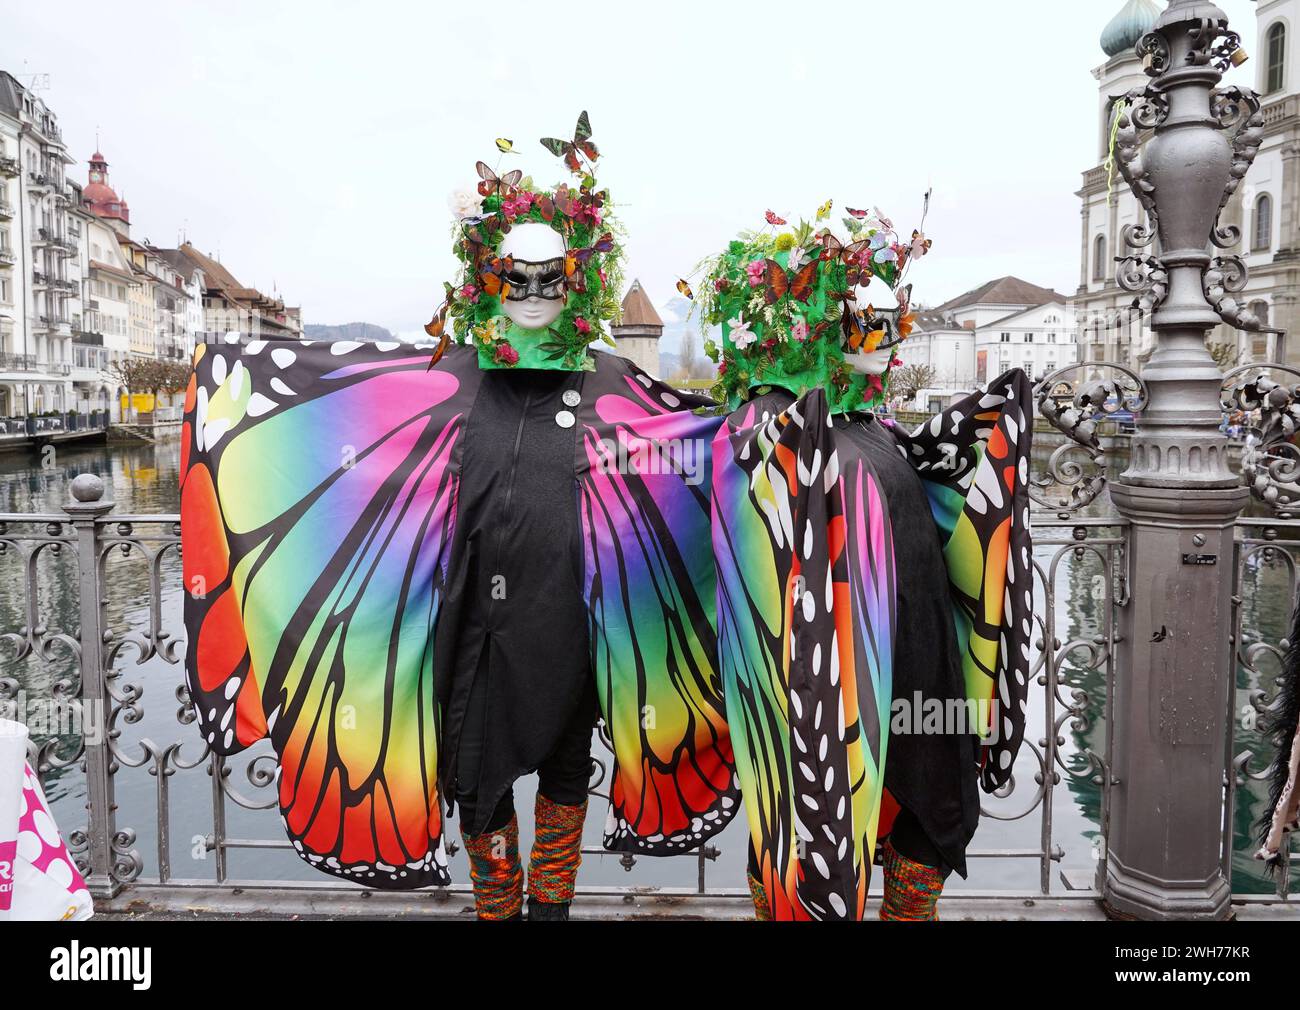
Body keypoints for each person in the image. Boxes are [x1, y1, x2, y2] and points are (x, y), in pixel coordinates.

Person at [180, 115, 737, 921]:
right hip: (471, 632)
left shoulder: (617, 383)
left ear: (579, 279)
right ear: (490, 277)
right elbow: (339, 409)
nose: (538, 296)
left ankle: (547, 912)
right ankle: (498, 909)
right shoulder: (447, 376)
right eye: (520, 277)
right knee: (476, 784)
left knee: (565, 772)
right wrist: (230, 376)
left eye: (554, 279)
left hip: (572, 633)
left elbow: (699, 442)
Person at [699, 203, 1035, 919]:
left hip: (919, 670)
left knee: (930, 817)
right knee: (809, 838)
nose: (888, 339)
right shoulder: (767, 436)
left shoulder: (871, 427)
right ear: (818, 318)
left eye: (896, 321)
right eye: (867, 321)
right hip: (824, 691)